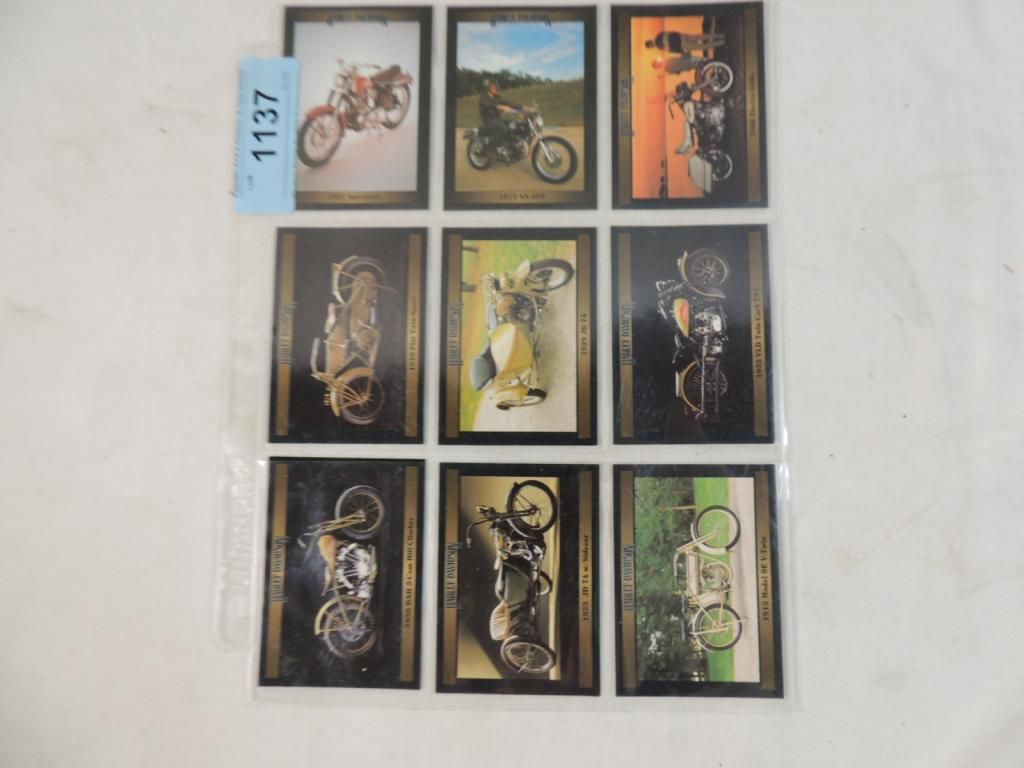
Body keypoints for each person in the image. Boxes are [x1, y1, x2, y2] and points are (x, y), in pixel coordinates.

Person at [478, 78, 521, 148]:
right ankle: (491, 149)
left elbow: (509, 103)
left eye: (496, 87)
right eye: (494, 87)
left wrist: (525, 108)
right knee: (503, 129)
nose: (497, 88)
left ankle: (510, 146)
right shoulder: (483, 97)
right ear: (488, 88)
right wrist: (501, 107)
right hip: (488, 121)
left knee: (514, 125)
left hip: (498, 120)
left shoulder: (497, 97)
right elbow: (488, 105)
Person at [644, 30, 725, 55]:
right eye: (650, 46)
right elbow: (672, 49)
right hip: (682, 42)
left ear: (650, 42)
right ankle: (721, 40)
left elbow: (670, 34)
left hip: (682, 41)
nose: (652, 46)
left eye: (650, 45)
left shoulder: (659, 38)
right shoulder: (659, 45)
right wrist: (682, 51)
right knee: (702, 44)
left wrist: (680, 35)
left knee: (702, 39)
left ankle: (721, 37)